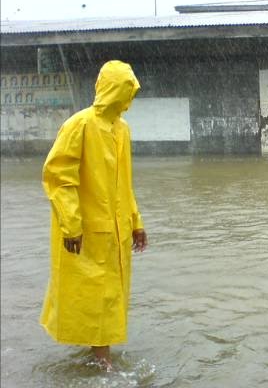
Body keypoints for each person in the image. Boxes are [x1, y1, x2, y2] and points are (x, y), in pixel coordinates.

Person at [40, 60, 148, 370]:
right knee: (96, 296)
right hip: (86, 230)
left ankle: (98, 356)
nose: (128, 100)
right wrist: (71, 224)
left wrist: (136, 221)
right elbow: (59, 177)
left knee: (109, 297)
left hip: (115, 230)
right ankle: (103, 362)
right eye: (125, 91)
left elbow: (124, 182)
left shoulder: (122, 130)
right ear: (110, 89)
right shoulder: (80, 125)